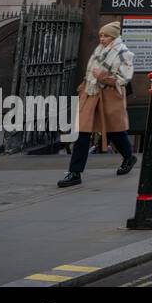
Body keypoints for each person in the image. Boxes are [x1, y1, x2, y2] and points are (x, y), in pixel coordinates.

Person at [58, 22, 136, 188]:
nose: (102, 39)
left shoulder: (124, 53)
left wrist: (103, 76)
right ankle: (75, 173)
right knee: (82, 133)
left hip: (110, 96)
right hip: (91, 93)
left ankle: (129, 157)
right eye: (101, 35)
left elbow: (124, 78)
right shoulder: (98, 51)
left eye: (106, 36)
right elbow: (90, 73)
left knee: (116, 132)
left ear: (114, 37)